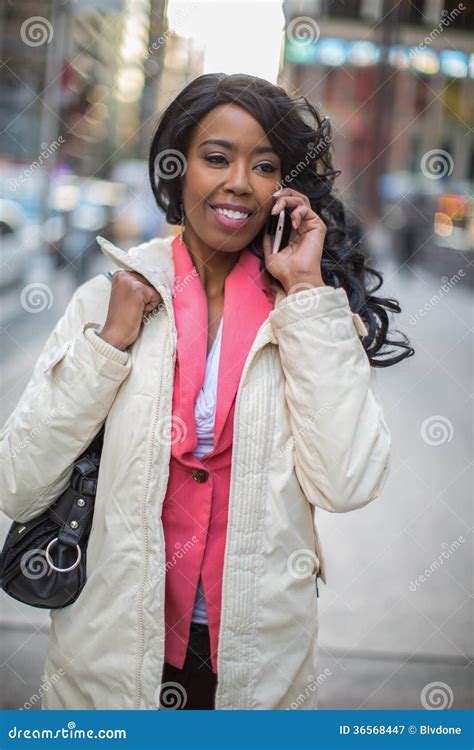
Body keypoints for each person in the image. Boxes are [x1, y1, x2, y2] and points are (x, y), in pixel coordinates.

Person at [0, 73, 413, 711]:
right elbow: (19, 482)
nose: (239, 183)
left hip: (254, 669)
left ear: (286, 188)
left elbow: (348, 481)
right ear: (178, 169)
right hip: (109, 666)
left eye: (264, 165)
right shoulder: (104, 303)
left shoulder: (307, 318)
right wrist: (109, 344)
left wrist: (306, 296)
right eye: (215, 157)